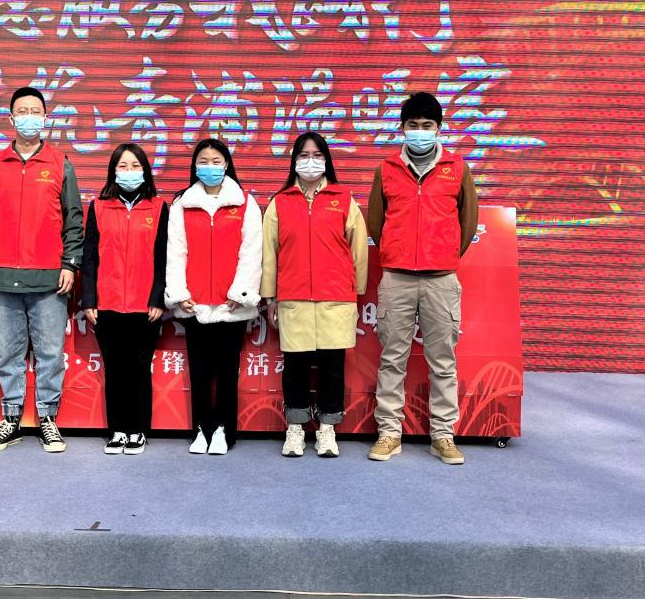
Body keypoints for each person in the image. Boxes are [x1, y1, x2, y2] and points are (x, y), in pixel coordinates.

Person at [0, 86, 84, 454]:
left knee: (50, 352)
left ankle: (48, 418)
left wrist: (70, 263)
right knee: (9, 353)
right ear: (11, 118)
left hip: (49, 276)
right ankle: (11, 419)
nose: (29, 117)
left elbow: (74, 219)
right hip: (2, 273)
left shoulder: (60, 164)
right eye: (23, 111)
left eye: (36, 111)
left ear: (45, 118)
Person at [365, 92, 479, 466]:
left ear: (438, 128)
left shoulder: (457, 168)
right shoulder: (386, 170)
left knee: (443, 361)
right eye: (413, 125)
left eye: (427, 125)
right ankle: (389, 433)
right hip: (396, 279)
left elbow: (468, 223)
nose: (420, 132)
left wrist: (443, 255)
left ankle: (443, 435)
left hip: (440, 280)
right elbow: (376, 223)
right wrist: (396, 251)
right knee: (392, 359)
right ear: (402, 128)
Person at [261, 132, 369, 458]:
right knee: (295, 366)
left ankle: (327, 429)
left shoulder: (343, 200)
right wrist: (270, 297)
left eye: (317, 155)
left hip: (335, 298)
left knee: (332, 367)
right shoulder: (280, 202)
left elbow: (358, 250)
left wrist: (355, 292)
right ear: (294, 160)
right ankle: (294, 429)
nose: (311, 161)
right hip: (293, 297)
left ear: (326, 160)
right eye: (304, 155)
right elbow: (269, 253)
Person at [164, 138, 262, 455]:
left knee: (227, 371)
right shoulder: (182, 204)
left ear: (227, 164)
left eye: (216, 161)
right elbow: (175, 252)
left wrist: (241, 292)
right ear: (195, 166)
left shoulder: (245, 202)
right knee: (200, 372)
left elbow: (252, 252)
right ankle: (201, 429)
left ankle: (223, 430)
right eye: (203, 161)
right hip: (195, 304)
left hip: (230, 305)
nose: (210, 167)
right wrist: (179, 294)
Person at [80, 143, 169, 456]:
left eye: (135, 166)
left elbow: (164, 257)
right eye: (123, 166)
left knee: (140, 370)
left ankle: (138, 430)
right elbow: (89, 256)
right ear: (113, 172)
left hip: (146, 307)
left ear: (145, 171)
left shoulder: (159, 208)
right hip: (108, 305)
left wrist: (158, 298)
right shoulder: (99, 207)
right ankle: (117, 430)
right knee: (115, 371)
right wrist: (89, 299)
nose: (129, 172)